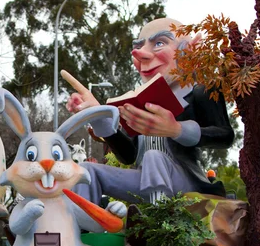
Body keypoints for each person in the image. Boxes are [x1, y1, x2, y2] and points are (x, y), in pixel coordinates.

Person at [64, 17, 234, 204]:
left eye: (159, 43)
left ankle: (158, 219)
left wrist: (177, 129)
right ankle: (85, 227)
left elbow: (225, 136)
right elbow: (128, 156)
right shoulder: (141, 102)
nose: (140, 54)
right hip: (143, 179)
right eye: (140, 46)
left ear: (189, 51)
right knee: (87, 171)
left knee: (154, 156)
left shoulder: (200, 92)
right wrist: (99, 116)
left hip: (186, 184)